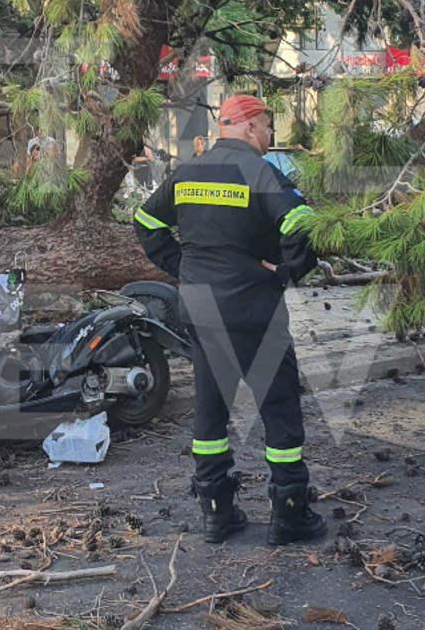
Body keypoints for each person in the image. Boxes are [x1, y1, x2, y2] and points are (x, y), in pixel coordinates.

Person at [132, 94, 325, 546]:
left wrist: (182, 267)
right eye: (267, 127)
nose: (269, 136)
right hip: (252, 308)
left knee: (211, 411)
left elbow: (143, 221)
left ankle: (217, 512)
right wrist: (285, 271)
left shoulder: (188, 172)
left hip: (199, 307)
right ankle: (290, 514)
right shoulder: (261, 172)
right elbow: (305, 227)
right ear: (249, 126)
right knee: (277, 409)